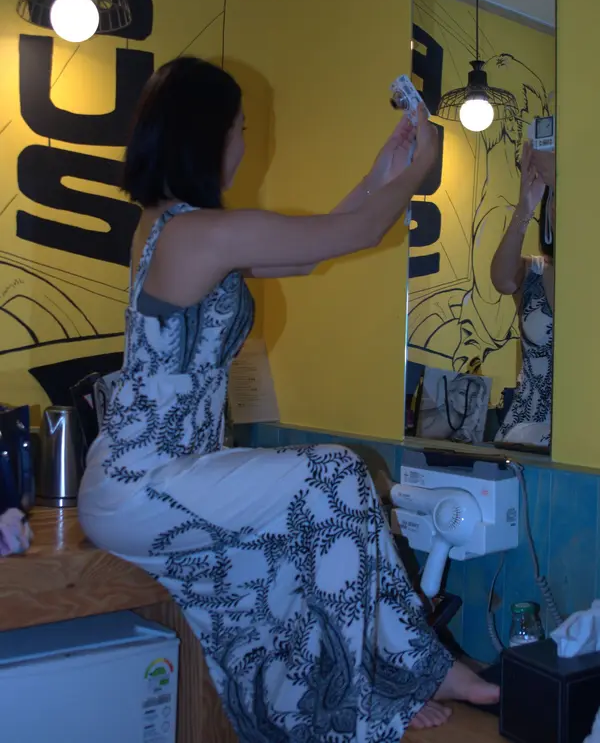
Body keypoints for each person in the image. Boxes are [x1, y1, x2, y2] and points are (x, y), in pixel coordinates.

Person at [78, 57, 498, 740]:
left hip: (157, 475)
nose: (246, 143)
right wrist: (421, 170)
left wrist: (384, 172)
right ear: (207, 135)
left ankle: (370, 686)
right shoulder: (196, 233)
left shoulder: (175, 227)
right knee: (335, 475)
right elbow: (352, 234)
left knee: (284, 552)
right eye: (241, 128)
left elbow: (311, 250)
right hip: (147, 482)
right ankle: (407, 672)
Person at [491, 141, 554, 449]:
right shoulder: (534, 271)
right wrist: (525, 207)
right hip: (522, 434)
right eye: (555, 200)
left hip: (583, 436)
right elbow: (501, 279)